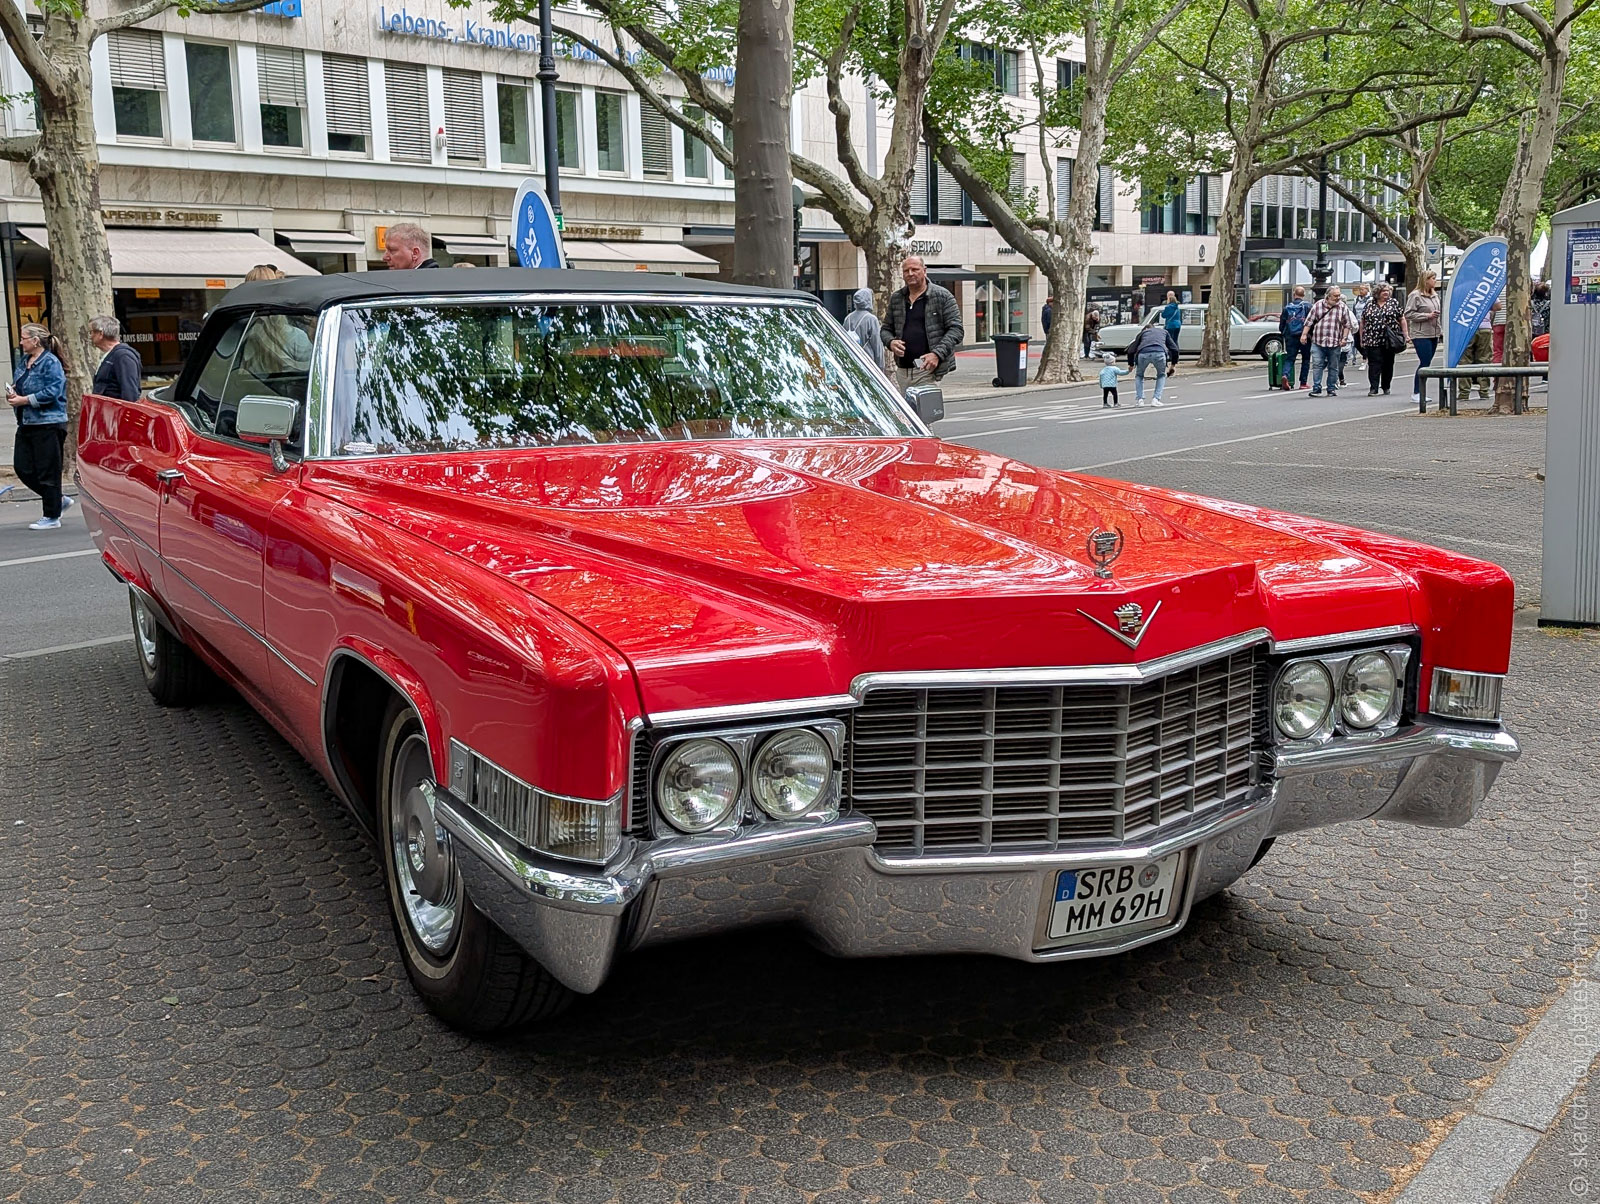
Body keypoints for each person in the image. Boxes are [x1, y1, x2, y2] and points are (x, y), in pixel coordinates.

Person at [7, 323, 70, 531]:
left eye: (24, 338)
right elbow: (22, 383)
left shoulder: (50, 362)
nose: (21, 342)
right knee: (22, 467)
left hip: (48, 423)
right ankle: (57, 499)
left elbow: (53, 391)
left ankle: (52, 516)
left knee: (48, 470)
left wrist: (25, 400)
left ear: (35, 340)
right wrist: (14, 393)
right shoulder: (24, 361)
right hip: (26, 422)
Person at [880, 255, 964, 391]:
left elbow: (956, 330)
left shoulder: (942, 296)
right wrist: (890, 342)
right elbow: (885, 329)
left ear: (924, 271)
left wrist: (937, 354)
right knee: (906, 411)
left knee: (925, 410)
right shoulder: (897, 298)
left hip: (928, 370)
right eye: (906, 271)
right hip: (902, 370)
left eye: (914, 269)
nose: (910, 273)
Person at [1304, 286, 1355, 397]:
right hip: (1318, 341)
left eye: (1339, 295)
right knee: (1317, 365)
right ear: (1328, 296)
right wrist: (1304, 335)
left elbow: (1347, 325)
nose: (1338, 298)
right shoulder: (1317, 305)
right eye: (1335, 296)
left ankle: (1331, 388)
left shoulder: (1342, 307)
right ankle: (1316, 388)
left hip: (1335, 342)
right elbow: (1309, 321)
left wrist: (1344, 338)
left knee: (1333, 366)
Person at [1357, 283, 1405, 396]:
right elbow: (1363, 322)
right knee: (1374, 364)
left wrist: (1405, 334)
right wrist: (1361, 338)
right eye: (1383, 291)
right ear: (1377, 293)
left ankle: (1386, 386)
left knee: (1388, 364)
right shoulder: (1369, 304)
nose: (1386, 293)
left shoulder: (1393, 303)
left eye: (1387, 291)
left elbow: (1401, 318)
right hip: (1372, 339)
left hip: (1389, 339)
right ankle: (1373, 387)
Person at [1403, 270, 1443, 402]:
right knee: (1424, 362)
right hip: (1421, 333)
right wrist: (1426, 316)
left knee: (1428, 362)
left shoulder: (1435, 295)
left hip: (1434, 332)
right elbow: (1408, 314)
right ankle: (1417, 391)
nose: (1434, 281)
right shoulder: (1415, 296)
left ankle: (1421, 391)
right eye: (1432, 278)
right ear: (1425, 280)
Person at [89, 315, 143, 401]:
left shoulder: (124, 356)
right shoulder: (113, 354)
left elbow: (130, 394)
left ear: (100, 333)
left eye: (91, 332)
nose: (90, 336)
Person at [841, 288, 884, 371]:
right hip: (867, 362)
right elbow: (877, 345)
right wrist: (880, 368)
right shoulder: (871, 319)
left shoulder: (848, 318)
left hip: (852, 361)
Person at [1279, 286, 1311, 388]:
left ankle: (1285, 375)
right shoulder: (1308, 306)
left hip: (1291, 336)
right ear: (1304, 295)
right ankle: (1303, 382)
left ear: (1294, 294)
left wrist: (1285, 334)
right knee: (1305, 359)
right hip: (1304, 336)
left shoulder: (1287, 308)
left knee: (1290, 358)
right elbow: (1311, 321)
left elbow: (1282, 324)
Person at [1128, 325, 1168, 406]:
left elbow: (1131, 350)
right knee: (1161, 375)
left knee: (1139, 375)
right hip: (1159, 352)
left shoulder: (1142, 334)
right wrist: (1173, 365)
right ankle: (1156, 399)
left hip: (1143, 353)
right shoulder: (1163, 332)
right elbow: (1174, 348)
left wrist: (1131, 364)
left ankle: (1140, 400)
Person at [1462, 305, 1494, 401]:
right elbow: (1497, 306)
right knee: (1484, 359)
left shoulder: (1459, 290)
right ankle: (1484, 390)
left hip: (1466, 327)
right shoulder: (1485, 290)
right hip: (1484, 327)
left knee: (1465, 360)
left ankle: (1464, 392)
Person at [1347, 283, 1370, 374]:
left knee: (1364, 341)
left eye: (1362, 289)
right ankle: (1367, 355)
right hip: (1357, 322)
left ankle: (1365, 359)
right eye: (1360, 289)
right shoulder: (1356, 300)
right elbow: (1354, 311)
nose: (1360, 291)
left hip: (1366, 323)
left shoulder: (1370, 300)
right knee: (1356, 342)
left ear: (1367, 290)